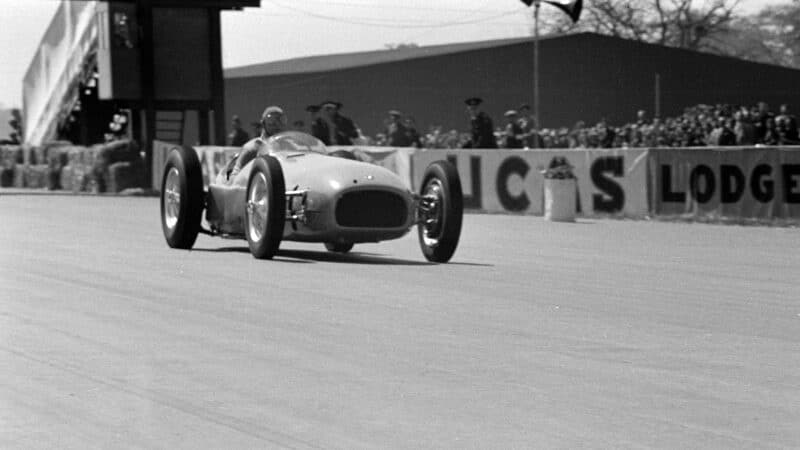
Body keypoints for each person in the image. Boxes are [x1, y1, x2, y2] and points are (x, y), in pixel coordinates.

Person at [229, 106, 287, 179]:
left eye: (281, 120)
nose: (277, 125)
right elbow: (234, 177)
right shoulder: (253, 148)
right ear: (263, 124)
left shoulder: (290, 145)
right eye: (271, 121)